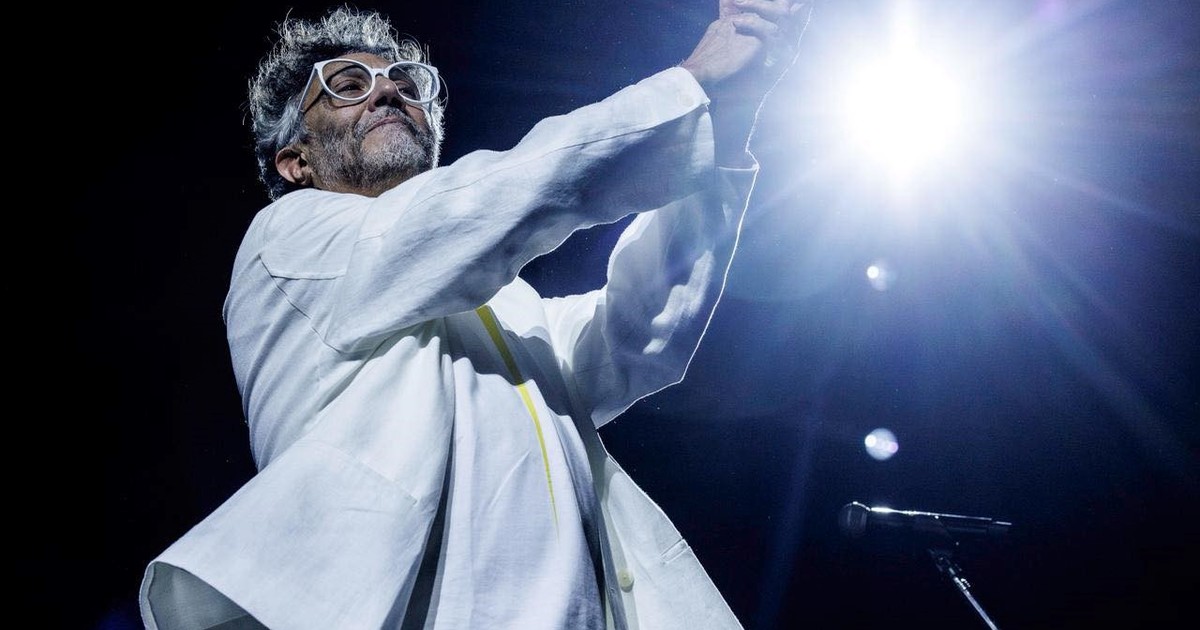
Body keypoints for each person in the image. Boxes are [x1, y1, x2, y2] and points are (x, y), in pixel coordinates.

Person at [139, 2, 810, 628]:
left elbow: (635, 341)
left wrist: (727, 122)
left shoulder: (504, 306)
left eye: (405, 83)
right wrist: (693, 84)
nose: (388, 91)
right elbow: (485, 204)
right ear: (296, 163)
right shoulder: (287, 242)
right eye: (347, 85)